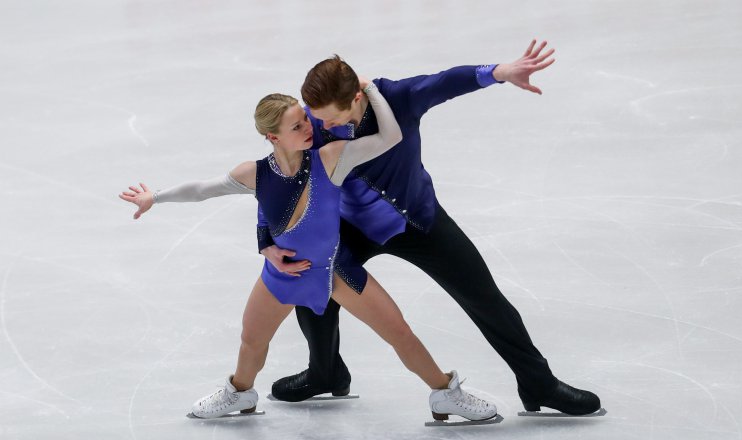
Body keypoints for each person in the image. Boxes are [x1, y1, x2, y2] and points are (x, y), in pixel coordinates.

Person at [119, 82, 497, 422]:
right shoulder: (256, 173)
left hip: (336, 270)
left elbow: (390, 138)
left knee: (400, 333)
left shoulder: (331, 157)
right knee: (252, 339)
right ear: (273, 137)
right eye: (296, 126)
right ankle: (240, 394)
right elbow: (203, 189)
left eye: (305, 120)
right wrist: (157, 197)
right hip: (283, 275)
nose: (308, 129)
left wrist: (373, 93)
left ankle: (447, 394)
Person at [263, 40, 602, 416]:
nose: (318, 126)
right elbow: (275, 178)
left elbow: (444, 82)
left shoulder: (397, 98)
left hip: (417, 220)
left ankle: (539, 384)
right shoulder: (310, 124)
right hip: (352, 227)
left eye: (328, 118)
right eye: (314, 115)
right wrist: (266, 240)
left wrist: (499, 73)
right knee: (311, 278)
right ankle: (324, 373)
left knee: (484, 296)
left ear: (357, 97)